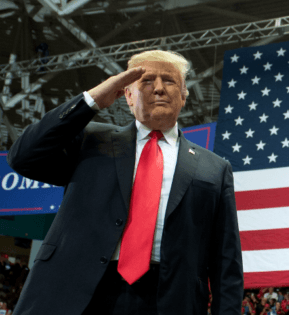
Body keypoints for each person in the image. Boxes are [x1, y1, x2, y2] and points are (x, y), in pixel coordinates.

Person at [7, 50, 244, 315]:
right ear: (127, 96)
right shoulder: (90, 140)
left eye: (169, 80)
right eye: (146, 80)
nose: (158, 88)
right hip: (78, 293)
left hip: (170, 299)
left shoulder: (215, 168)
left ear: (184, 95)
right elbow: (23, 157)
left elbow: (226, 262)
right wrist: (91, 100)